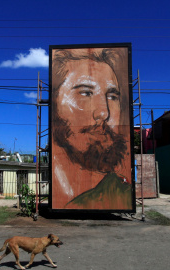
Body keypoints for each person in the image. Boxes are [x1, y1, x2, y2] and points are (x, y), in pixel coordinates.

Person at [51, 47, 132, 210]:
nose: (104, 112)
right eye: (86, 93)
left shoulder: (122, 194)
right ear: (54, 103)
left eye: (112, 97)